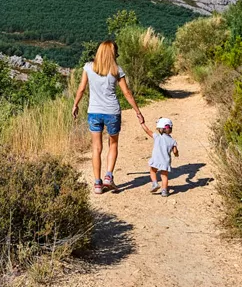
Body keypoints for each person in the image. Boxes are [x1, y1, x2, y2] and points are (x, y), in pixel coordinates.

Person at [73, 40, 145, 194]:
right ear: (113, 53)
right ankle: (108, 176)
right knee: (113, 144)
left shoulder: (88, 67)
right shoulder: (117, 70)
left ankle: (97, 184)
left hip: (94, 112)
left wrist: (75, 105)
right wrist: (137, 111)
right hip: (112, 112)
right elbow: (127, 93)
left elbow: (81, 89)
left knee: (96, 148)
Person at [140, 117, 179, 197]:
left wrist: (142, 124)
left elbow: (148, 131)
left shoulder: (157, 137)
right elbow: (175, 151)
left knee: (152, 170)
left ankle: (155, 183)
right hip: (165, 161)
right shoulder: (173, 141)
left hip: (156, 159)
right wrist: (176, 154)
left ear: (160, 129)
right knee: (164, 176)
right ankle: (164, 191)